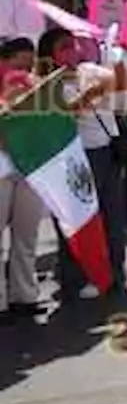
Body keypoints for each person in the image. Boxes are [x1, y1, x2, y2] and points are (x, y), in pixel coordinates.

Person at [38, 28, 127, 301]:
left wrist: (116, 53)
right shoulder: (47, 84)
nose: (72, 51)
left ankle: (114, 273)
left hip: (105, 152)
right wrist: (85, 97)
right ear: (50, 55)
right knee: (77, 219)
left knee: (111, 216)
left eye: (74, 45)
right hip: (74, 157)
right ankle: (76, 276)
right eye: (64, 47)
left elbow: (121, 84)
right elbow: (63, 114)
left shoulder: (90, 69)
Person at [0, 38, 43, 321]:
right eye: (20, 60)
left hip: (29, 166)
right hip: (2, 166)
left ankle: (25, 296)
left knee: (26, 236)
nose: (26, 66)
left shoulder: (38, 85)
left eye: (30, 61)